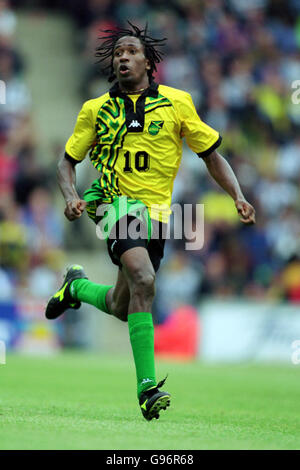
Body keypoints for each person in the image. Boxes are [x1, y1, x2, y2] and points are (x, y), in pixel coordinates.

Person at [45, 22, 256, 421]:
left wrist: (238, 196)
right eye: (117, 52)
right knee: (144, 278)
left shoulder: (177, 103)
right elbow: (66, 162)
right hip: (111, 204)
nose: (122, 56)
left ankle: (76, 287)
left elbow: (210, 154)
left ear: (148, 61)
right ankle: (146, 389)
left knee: (124, 305)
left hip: (157, 215)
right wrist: (72, 196)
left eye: (130, 51)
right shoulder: (96, 109)